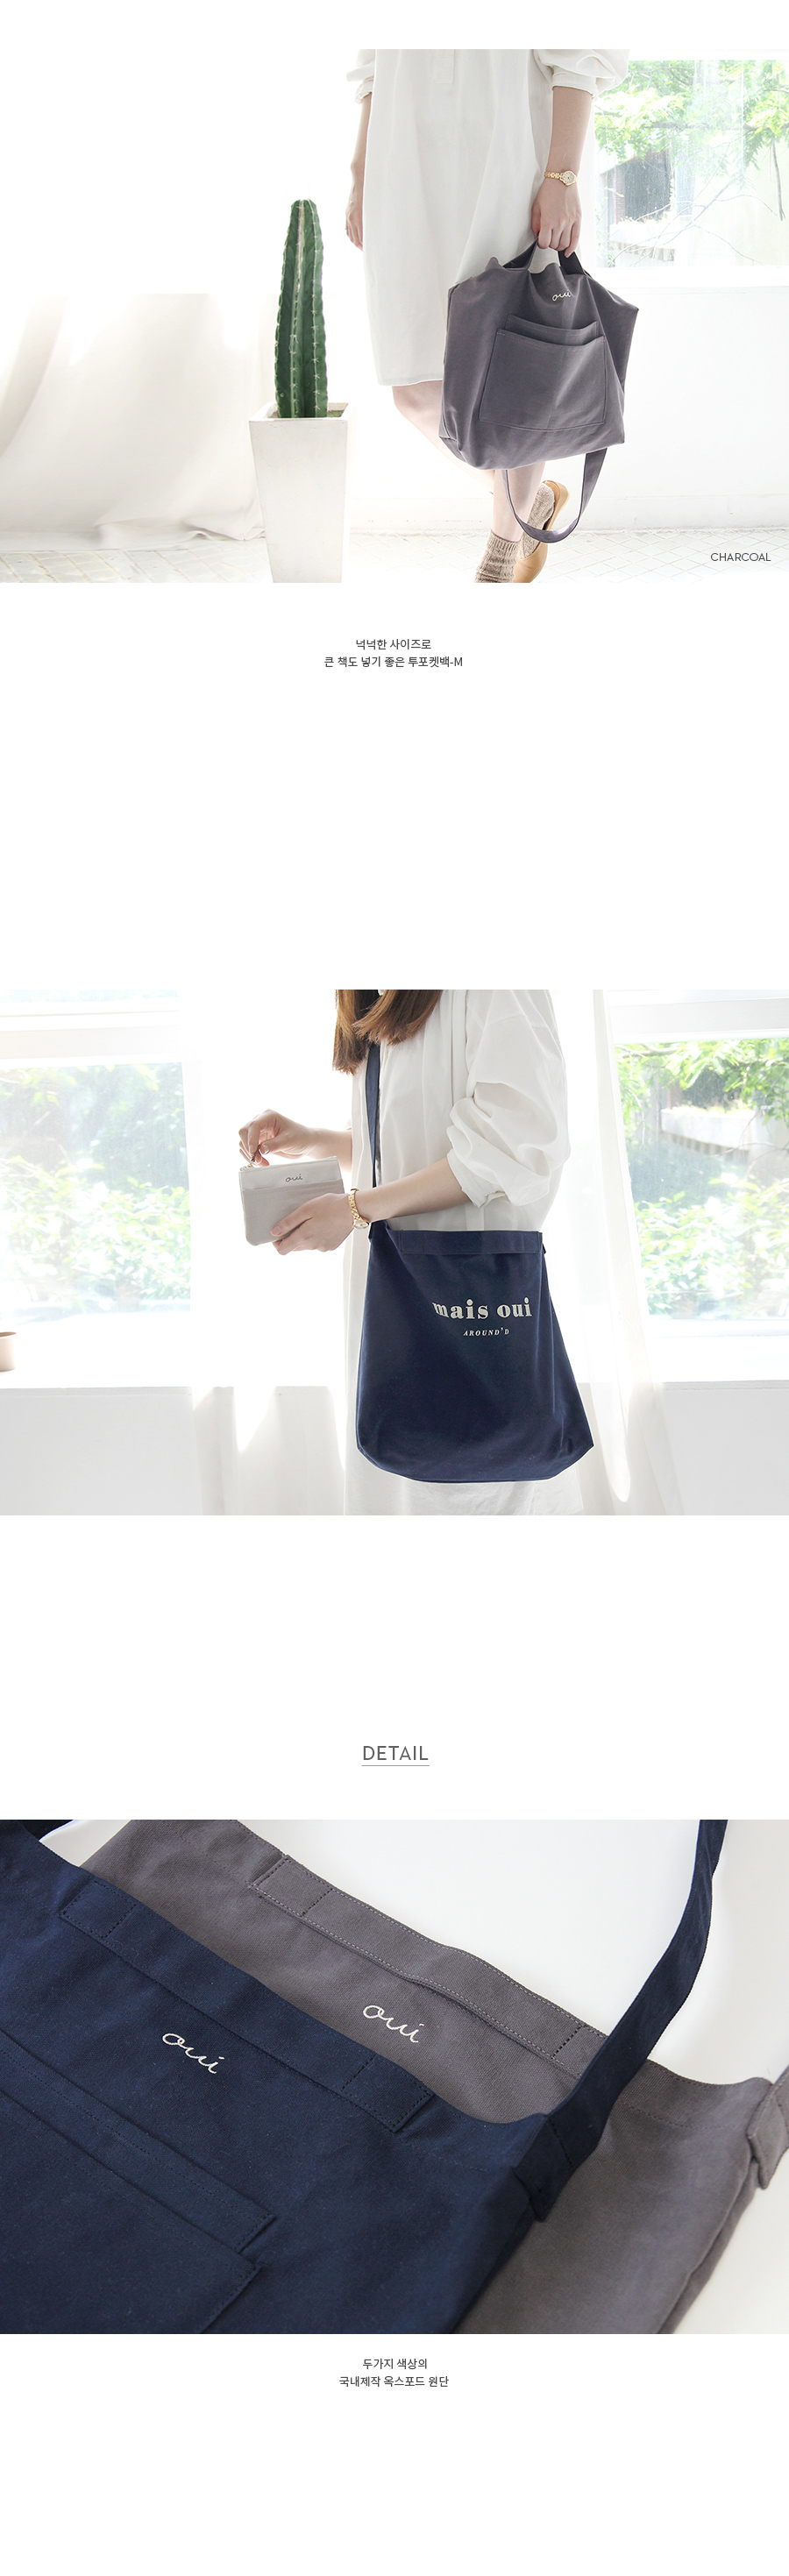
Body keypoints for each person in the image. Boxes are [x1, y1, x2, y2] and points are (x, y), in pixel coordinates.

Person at [238, 990, 584, 1517]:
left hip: (463, 1298)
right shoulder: (378, 991)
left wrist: (356, 1210)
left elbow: (514, 1145)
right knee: (396, 1490)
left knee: (469, 1499)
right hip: (397, 1300)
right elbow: (405, 1146)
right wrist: (314, 1140)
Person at [345, 50, 628, 582]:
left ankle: (502, 551)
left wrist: (563, 176)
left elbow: (579, 57)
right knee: (415, 392)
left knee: (516, 377)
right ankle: (529, 503)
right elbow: (373, 69)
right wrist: (361, 172)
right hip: (402, 168)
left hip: (508, 160)